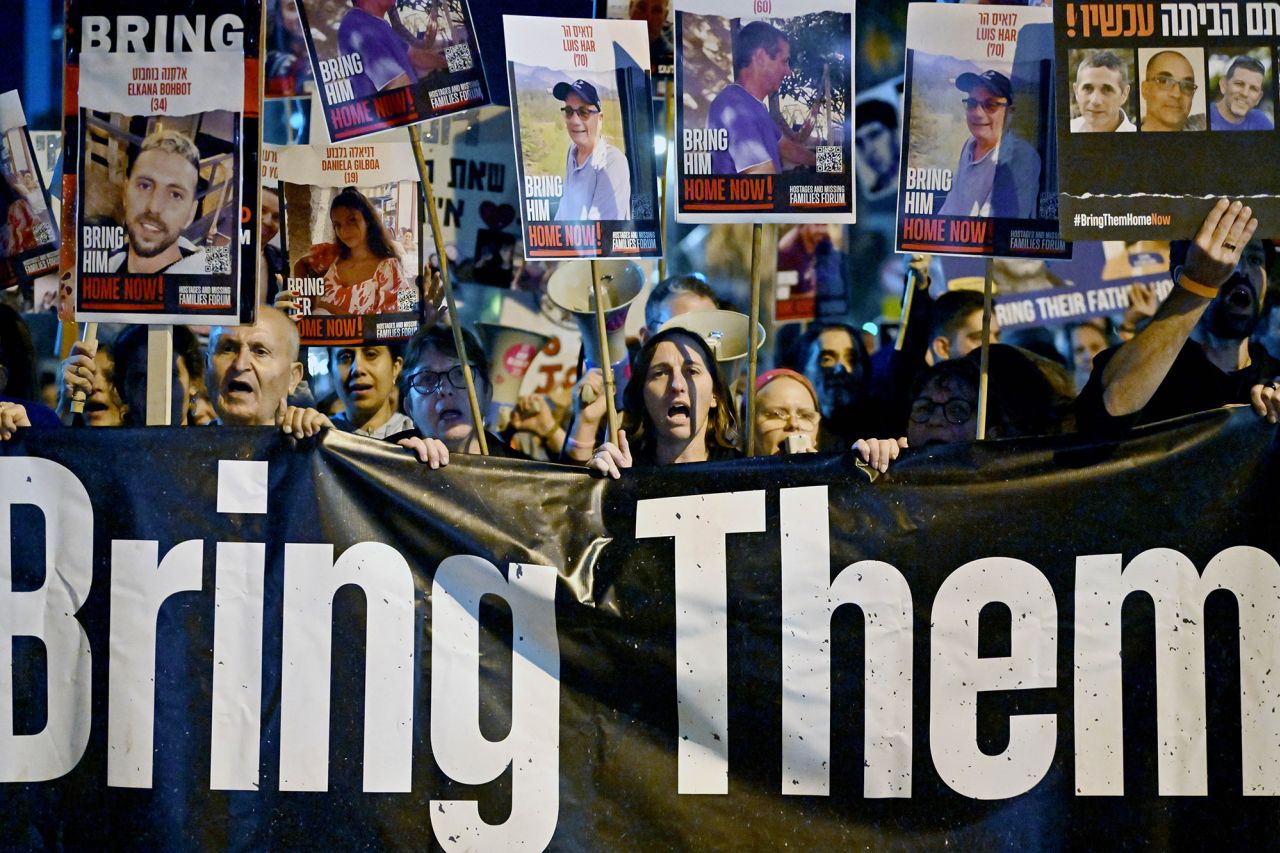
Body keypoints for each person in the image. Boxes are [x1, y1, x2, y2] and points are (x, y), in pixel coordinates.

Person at [1077, 198, 1280, 431]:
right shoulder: (1147, 370)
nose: (1241, 270)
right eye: (1226, 253)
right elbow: (1109, 407)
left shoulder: (1275, 377)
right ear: (1181, 274)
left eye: (1255, 259)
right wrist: (1197, 285)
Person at [588, 327, 740, 477]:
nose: (677, 385)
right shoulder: (626, 470)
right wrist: (615, 485)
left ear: (715, 394)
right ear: (642, 396)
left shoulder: (740, 474)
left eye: (692, 371)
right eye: (660, 373)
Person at [392, 324, 528, 467]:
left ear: (487, 393)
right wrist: (400, 470)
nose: (445, 389)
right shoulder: (387, 462)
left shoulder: (523, 474)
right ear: (409, 408)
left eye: (460, 374)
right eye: (427, 379)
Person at [706, 21, 816, 174]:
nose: (788, 71)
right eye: (784, 62)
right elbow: (763, 179)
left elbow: (788, 148)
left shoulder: (754, 105)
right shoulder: (733, 106)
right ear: (760, 57)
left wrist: (834, 161)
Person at [206, 306, 333, 435]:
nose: (240, 365)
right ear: (207, 365)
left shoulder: (313, 449)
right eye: (228, 349)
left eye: (260, 352)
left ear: (293, 377)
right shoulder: (185, 451)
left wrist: (329, 444)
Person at [751, 367, 904, 472]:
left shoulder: (838, 476)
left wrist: (862, 462)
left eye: (805, 415)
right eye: (776, 414)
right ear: (746, 426)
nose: (794, 424)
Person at [937, 70, 1041, 219]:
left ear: (1010, 112)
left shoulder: (1022, 157)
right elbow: (952, 205)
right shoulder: (969, 145)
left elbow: (995, 227)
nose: (977, 113)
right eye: (972, 103)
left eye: (990, 104)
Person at [107, 130, 208, 275]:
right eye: (145, 186)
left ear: (191, 214)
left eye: (175, 195)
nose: (154, 207)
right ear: (125, 194)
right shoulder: (108, 260)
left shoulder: (211, 280)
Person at [317, 187, 412, 316]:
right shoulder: (333, 259)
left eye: (352, 221)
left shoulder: (391, 266)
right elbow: (300, 263)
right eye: (337, 225)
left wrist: (323, 306)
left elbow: (407, 317)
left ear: (368, 221)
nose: (344, 231)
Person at [551, 79, 631, 221]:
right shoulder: (572, 151)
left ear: (600, 119)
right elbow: (566, 205)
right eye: (569, 111)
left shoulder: (613, 162)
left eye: (583, 112)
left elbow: (601, 233)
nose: (574, 121)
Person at [337, 0, 446, 100]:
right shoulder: (358, 26)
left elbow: (415, 56)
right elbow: (397, 86)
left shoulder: (377, 23)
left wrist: (458, 60)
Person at [789, 321, 872, 442]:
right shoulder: (792, 430)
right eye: (827, 359)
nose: (841, 369)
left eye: (851, 359)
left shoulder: (884, 429)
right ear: (803, 368)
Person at [328, 344, 414, 438]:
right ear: (331, 371)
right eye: (345, 357)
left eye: (371, 354)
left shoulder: (420, 437)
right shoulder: (321, 436)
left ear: (395, 368)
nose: (357, 369)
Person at [1139, 50, 1205, 131]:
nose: (1177, 94)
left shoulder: (1202, 125)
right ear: (1145, 89)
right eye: (1164, 81)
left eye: (1187, 85)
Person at [1070, 51, 1136, 132]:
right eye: (1087, 89)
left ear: (1124, 94)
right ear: (1076, 91)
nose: (1095, 101)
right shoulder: (1068, 130)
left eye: (1107, 90)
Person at [1210, 55, 1273, 131]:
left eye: (1253, 89)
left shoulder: (1261, 122)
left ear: (1258, 98)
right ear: (1223, 85)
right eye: (1239, 84)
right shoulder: (1202, 120)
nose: (1245, 93)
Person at [854, 98, 900, 195]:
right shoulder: (873, 193)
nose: (868, 150)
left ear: (895, 133)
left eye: (874, 135)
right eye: (859, 143)